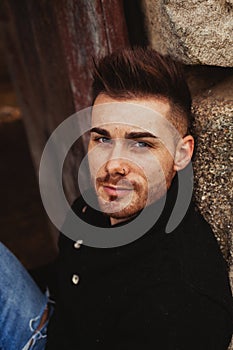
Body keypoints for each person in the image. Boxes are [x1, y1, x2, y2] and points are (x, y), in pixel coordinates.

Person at [0, 47, 232, 350]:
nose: (113, 164)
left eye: (141, 144)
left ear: (181, 153)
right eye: (103, 139)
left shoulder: (180, 301)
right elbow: (69, 272)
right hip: (55, 322)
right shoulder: (96, 206)